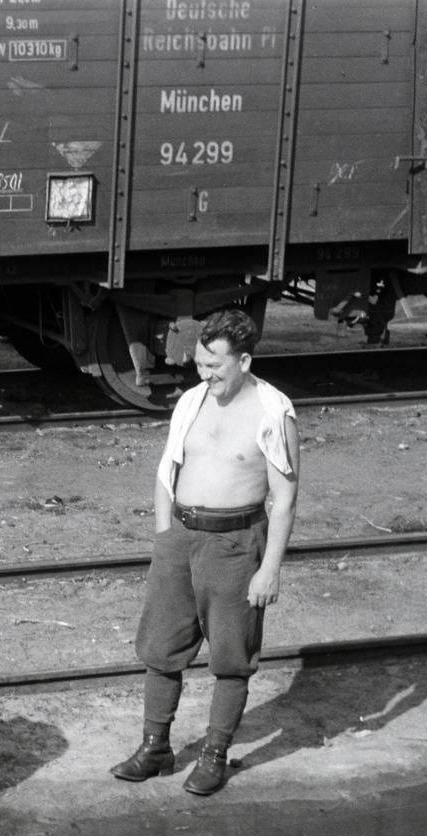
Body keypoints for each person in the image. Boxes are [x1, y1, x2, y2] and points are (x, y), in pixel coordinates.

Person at [111, 309, 300, 795]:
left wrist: (270, 568)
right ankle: (155, 748)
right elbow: (165, 470)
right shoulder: (192, 401)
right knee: (160, 650)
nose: (205, 374)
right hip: (181, 538)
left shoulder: (274, 411)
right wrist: (162, 537)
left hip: (236, 545)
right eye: (199, 364)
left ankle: (215, 756)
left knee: (232, 659)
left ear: (243, 360)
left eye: (215, 365)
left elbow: (285, 497)